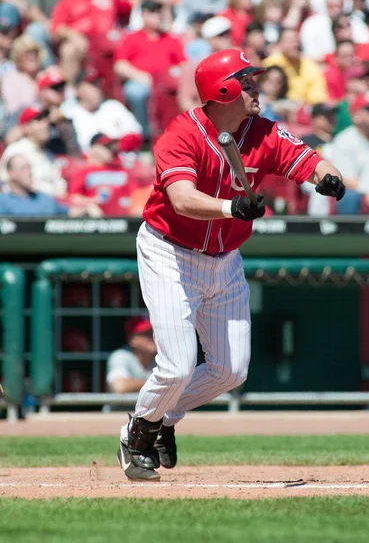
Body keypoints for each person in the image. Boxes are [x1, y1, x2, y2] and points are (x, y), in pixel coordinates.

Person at [117, 48, 345, 481]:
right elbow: (182, 200)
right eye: (247, 81)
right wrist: (231, 206)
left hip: (224, 260)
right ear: (223, 91)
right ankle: (140, 428)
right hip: (170, 252)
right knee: (178, 365)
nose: (257, 87)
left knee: (230, 370)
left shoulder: (261, 131)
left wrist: (326, 178)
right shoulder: (181, 133)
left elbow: (310, 161)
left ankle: (164, 417)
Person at [114, 0, 185, 142]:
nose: (157, 16)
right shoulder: (132, 38)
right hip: (142, 81)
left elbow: (183, 65)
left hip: (166, 83)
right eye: (153, 12)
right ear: (144, 15)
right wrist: (143, 77)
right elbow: (120, 65)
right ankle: (145, 135)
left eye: (159, 12)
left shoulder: (170, 39)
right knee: (136, 92)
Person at [0, 103, 66, 196]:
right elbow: (6, 186)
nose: (45, 124)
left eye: (45, 119)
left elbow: (59, 188)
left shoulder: (49, 154)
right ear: (26, 127)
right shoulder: (16, 150)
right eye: (38, 120)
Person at [331, 93, 369, 214]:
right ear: (356, 116)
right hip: (361, 194)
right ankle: (348, 232)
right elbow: (347, 179)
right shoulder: (344, 141)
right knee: (349, 197)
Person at [0, 153, 97, 216]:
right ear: (11, 173)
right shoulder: (3, 201)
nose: (29, 173)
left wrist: (88, 208)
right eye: (23, 168)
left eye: (29, 168)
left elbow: (70, 212)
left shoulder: (44, 199)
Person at [261, 28, 328, 106]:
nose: (295, 44)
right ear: (280, 43)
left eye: (297, 41)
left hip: (303, 110)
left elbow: (317, 98)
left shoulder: (310, 66)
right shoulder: (270, 64)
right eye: (290, 41)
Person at [106, 316, 156, 393]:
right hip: (121, 405)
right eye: (147, 334)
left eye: (154, 332)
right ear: (132, 339)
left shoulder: (161, 357)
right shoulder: (121, 356)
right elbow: (120, 387)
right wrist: (159, 383)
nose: (153, 336)